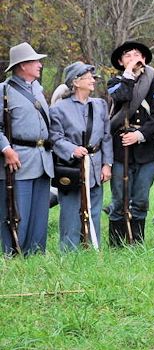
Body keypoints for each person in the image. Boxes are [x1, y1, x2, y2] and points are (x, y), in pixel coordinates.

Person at [106, 41, 154, 245]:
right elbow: (122, 96)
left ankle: (136, 243)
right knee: (118, 201)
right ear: (121, 62)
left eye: (137, 55)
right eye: (128, 56)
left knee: (140, 200)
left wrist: (139, 135)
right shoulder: (115, 82)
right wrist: (129, 75)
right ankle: (116, 245)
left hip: (145, 149)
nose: (133, 58)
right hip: (119, 149)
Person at [49, 62, 112, 251]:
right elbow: (55, 137)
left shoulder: (99, 105)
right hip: (71, 167)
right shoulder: (59, 109)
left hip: (95, 165)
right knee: (70, 212)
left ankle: (93, 248)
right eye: (88, 77)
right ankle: (69, 252)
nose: (93, 80)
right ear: (76, 82)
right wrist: (71, 149)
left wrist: (107, 164)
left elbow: (106, 137)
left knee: (93, 209)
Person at [0, 43, 54, 255]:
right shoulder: (3, 91)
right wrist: (6, 149)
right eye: (35, 61)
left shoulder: (37, 91)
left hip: (42, 160)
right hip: (17, 161)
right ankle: (12, 255)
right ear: (23, 65)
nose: (40, 65)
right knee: (15, 213)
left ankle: (35, 255)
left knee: (40, 214)